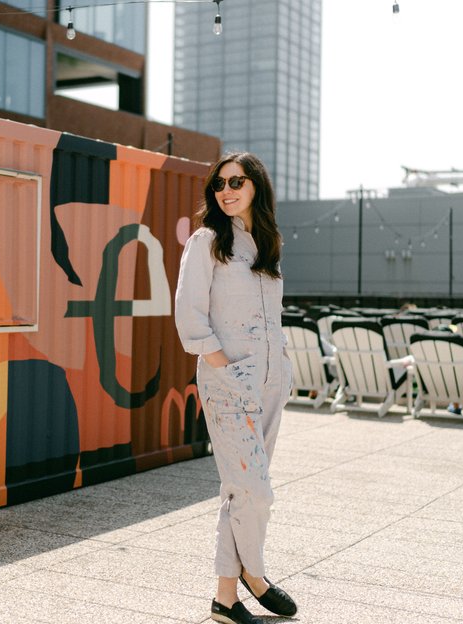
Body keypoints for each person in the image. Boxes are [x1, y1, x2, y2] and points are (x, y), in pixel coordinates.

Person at [174, 152, 297, 624]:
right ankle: (256, 576)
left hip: (270, 383)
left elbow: (272, 317)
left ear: (255, 186)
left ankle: (225, 598)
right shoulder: (207, 241)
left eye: (236, 182)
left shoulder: (266, 245)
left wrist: (282, 368)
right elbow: (189, 314)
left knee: (240, 490)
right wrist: (225, 365)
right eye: (219, 184)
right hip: (229, 384)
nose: (226, 191)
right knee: (256, 491)